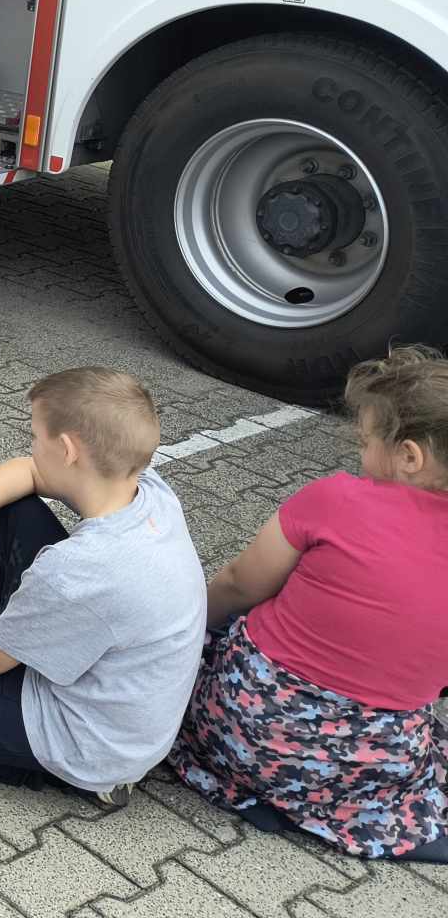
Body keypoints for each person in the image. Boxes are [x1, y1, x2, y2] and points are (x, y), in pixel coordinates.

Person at [0, 368, 207, 805]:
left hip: (96, 745)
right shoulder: (148, 491)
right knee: (10, 508)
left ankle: (72, 779)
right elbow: (28, 472)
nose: (31, 446)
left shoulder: (78, 571)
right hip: (124, 702)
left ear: (67, 450)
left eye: (34, 435)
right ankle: (33, 646)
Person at [170, 346, 448, 863]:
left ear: (410, 456)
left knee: (221, 624)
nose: (359, 459)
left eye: (366, 444)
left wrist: (185, 633)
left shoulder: (337, 498)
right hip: (366, 769)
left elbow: (239, 584)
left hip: (248, 730)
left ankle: (251, 787)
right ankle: (336, 814)